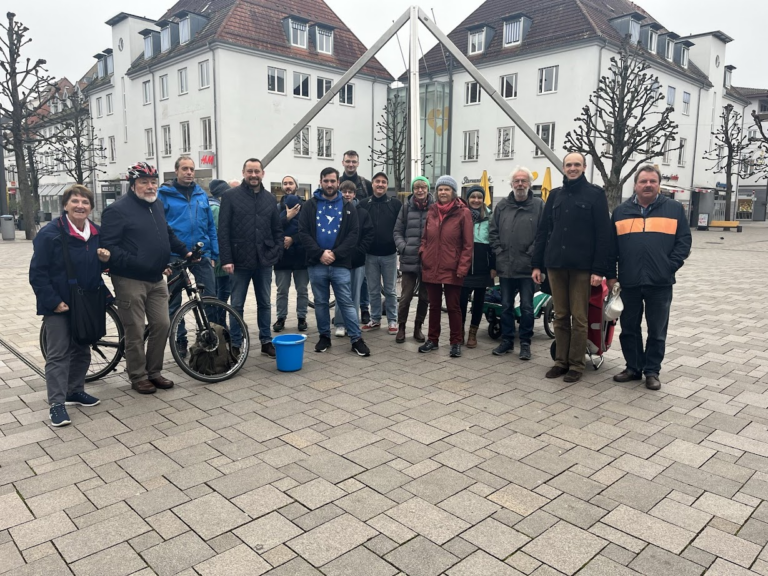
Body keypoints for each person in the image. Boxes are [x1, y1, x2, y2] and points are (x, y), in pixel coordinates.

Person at [101, 162, 190, 394]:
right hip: (129, 279)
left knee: (162, 324)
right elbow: (109, 247)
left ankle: (154, 372)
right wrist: (139, 262)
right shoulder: (117, 210)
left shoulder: (157, 205)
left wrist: (185, 251)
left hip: (156, 277)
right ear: (133, 185)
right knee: (136, 329)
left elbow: (167, 233)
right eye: (144, 182)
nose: (150, 187)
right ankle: (138, 376)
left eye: (153, 182)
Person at [30, 185, 110, 426]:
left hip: (85, 301)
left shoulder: (96, 233)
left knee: (82, 349)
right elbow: (37, 273)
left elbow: (97, 266)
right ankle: (56, 403)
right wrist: (53, 302)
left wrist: (106, 261)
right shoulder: (50, 233)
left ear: (90, 207)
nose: (80, 206)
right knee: (58, 354)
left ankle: (74, 390)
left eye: (85, 202)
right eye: (74, 201)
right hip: (59, 303)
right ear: (65, 205)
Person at [607, 165, 692, 390]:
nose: (648, 185)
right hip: (630, 281)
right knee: (629, 328)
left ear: (658, 184)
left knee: (657, 330)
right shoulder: (621, 212)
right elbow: (610, 248)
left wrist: (669, 267)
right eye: (643, 181)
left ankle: (652, 371)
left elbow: (684, 242)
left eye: (652, 181)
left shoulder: (673, 209)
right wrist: (612, 276)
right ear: (635, 185)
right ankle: (633, 368)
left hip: (660, 283)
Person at [532, 152, 612, 383]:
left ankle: (577, 364)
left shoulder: (595, 195)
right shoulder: (555, 195)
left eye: (577, 164)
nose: (572, 168)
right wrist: (537, 264)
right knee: (560, 316)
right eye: (569, 164)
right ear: (564, 168)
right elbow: (543, 232)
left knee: (579, 317)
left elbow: (603, 235)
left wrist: (599, 269)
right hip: (556, 264)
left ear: (584, 167)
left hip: (582, 268)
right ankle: (560, 361)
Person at [298, 167, 370, 357]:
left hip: (340, 264)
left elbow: (353, 234)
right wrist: (320, 253)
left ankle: (356, 338)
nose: (329, 184)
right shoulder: (310, 206)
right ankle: (324, 337)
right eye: (326, 181)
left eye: (332, 181)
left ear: (338, 182)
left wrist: (335, 254)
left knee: (346, 302)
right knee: (321, 303)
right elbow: (303, 232)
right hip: (316, 263)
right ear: (320, 181)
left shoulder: (348, 207)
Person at [219, 158, 284, 358]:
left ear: (262, 173)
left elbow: (277, 229)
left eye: (257, 171)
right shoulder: (230, 196)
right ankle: (236, 343)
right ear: (244, 172)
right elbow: (223, 230)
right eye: (250, 171)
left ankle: (266, 341)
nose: (253, 175)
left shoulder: (270, 198)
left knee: (264, 302)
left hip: (263, 260)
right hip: (238, 261)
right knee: (236, 304)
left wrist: (276, 251)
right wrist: (226, 259)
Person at [158, 157, 218, 356]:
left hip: (201, 254)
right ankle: (180, 339)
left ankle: (209, 337)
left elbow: (210, 225)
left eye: (192, 169)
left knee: (209, 296)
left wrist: (213, 253)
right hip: (175, 255)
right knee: (174, 302)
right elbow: (159, 227)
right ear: (176, 171)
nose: (189, 172)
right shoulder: (164, 195)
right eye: (185, 168)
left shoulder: (201, 194)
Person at [489, 167, 544, 360]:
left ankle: (526, 343)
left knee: (527, 307)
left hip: (527, 267)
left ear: (529, 183)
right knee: (505, 306)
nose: (520, 184)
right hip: (505, 266)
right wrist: (498, 250)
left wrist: (532, 254)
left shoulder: (538, 205)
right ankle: (507, 341)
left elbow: (543, 233)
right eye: (516, 181)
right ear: (511, 184)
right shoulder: (502, 205)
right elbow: (492, 230)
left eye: (524, 181)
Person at [418, 175, 473, 358]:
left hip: (453, 268)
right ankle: (432, 340)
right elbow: (425, 237)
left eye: (447, 189)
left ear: (453, 192)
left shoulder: (463, 212)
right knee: (433, 305)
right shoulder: (432, 210)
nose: (443, 192)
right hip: (431, 265)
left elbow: (468, 244)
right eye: (440, 189)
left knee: (453, 307)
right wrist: (423, 253)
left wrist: (462, 267)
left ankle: (456, 342)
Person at [360, 172, 402, 334]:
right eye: (377, 181)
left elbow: (400, 227)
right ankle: (375, 319)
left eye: (383, 182)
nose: (380, 184)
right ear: (372, 184)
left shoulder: (395, 204)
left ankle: (392, 321)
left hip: (390, 254)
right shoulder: (364, 204)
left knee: (390, 290)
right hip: (370, 255)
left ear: (387, 185)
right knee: (373, 289)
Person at [393, 176, 432, 343]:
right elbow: (397, 231)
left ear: (428, 189)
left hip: (428, 261)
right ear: (413, 190)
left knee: (425, 297)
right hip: (409, 258)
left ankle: (418, 327)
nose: (420, 190)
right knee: (405, 296)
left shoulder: (435, 208)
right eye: (417, 187)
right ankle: (401, 327)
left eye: (423, 187)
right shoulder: (406, 207)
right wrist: (403, 247)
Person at [334, 180, 374, 337]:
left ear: (355, 194)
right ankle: (339, 323)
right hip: (339, 260)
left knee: (355, 294)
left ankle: (352, 324)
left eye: (350, 192)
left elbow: (368, 234)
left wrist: (360, 251)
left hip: (357, 260)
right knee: (340, 293)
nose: (347, 194)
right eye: (344, 191)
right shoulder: (335, 211)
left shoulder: (362, 213)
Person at [458, 186, 496, 349]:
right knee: (460, 301)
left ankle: (473, 332)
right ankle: (459, 331)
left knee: (479, 302)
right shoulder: (461, 214)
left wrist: (493, 266)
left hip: (483, 266)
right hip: (464, 265)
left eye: (479, 197)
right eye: (472, 197)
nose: (476, 200)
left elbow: (494, 242)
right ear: (468, 198)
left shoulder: (490, 216)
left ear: (483, 199)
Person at [339, 150, 372, 324]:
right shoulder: (335, 182)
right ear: (342, 162)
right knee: (340, 280)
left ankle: (364, 308)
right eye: (348, 161)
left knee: (363, 279)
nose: (351, 164)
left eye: (354, 162)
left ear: (358, 163)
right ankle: (341, 313)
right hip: (341, 243)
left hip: (360, 241)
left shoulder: (365, 184)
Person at [274, 175, 309, 333]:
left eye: (291, 183)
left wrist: (293, 239)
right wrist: (287, 217)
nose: (288, 185)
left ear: (296, 185)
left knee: (302, 289)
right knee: (282, 290)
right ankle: (281, 318)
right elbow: (272, 230)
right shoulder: (276, 208)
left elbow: (309, 231)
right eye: (285, 183)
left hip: (301, 255)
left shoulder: (307, 207)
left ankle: (302, 317)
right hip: (283, 257)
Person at [207, 179, 232, 325]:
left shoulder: (211, 205)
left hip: (215, 257)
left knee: (217, 291)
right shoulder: (216, 208)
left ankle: (216, 321)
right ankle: (219, 322)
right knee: (223, 292)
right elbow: (219, 234)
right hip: (220, 258)